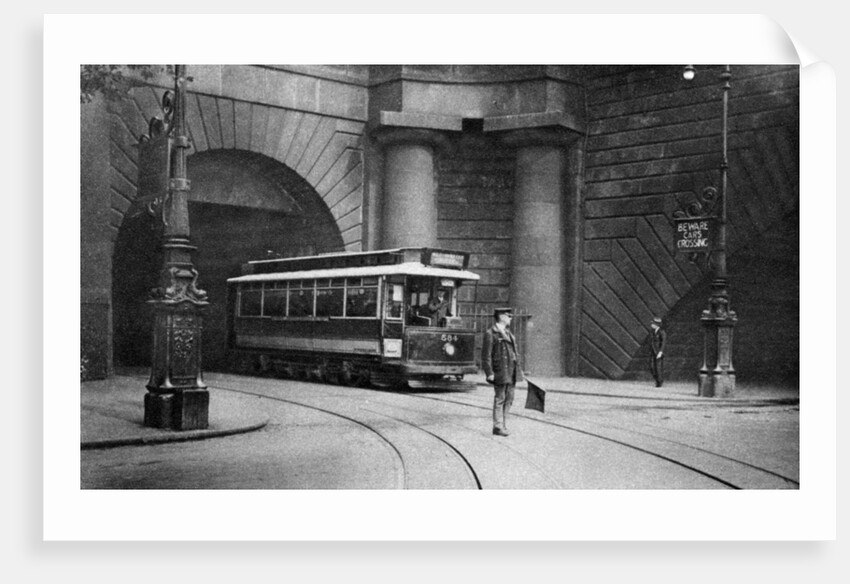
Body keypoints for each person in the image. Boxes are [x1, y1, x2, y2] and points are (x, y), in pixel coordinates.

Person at [481, 307, 521, 436]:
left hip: (511, 370)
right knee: (500, 398)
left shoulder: (508, 333)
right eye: (508, 315)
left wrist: (519, 370)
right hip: (500, 371)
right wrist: (489, 373)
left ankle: (502, 424)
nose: (510, 318)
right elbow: (486, 356)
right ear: (501, 316)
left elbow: (515, 354)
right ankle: (498, 426)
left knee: (509, 398)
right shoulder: (491, 333)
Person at [650, 317, 667, 387]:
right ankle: (657, 380)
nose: (651, 325)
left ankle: (659, 382)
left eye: (653, 323)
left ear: (657, 325)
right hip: (653, 351)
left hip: (658, 352)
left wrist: (661, 352)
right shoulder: (653, 332)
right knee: (652, 367)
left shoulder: (661, 332)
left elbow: (663, 342)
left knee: (658, 367)